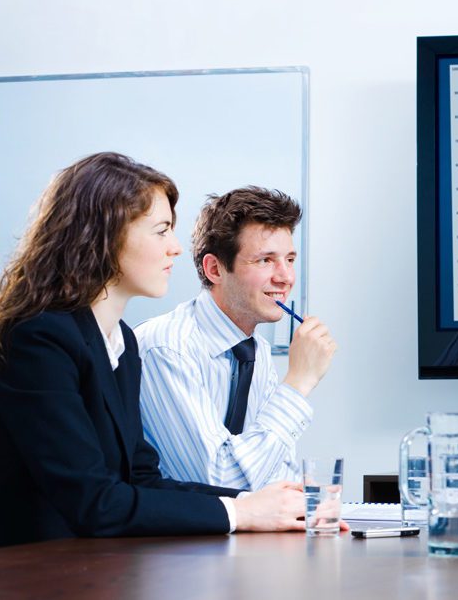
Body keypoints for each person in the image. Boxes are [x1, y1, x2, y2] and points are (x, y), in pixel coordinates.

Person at [0, 153, 307, 546]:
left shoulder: (120, 342)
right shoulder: (39, 338)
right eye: (161, 231)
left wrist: (268, 507)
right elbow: (94, 502)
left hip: (97, 568)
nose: (176, 249)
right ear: (104, 236)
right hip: (38, 573)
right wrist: (243, 511)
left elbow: (141, 479)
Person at [135, 186, 336, 490]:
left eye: (290, 259)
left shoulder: (257, 352)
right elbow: (219, 481)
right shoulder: (167, 348)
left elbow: (270, 472)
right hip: (169, 536)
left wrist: (297, 491)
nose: (285, 277)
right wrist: (298, 383)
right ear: (215, 269)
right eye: (266, 260)